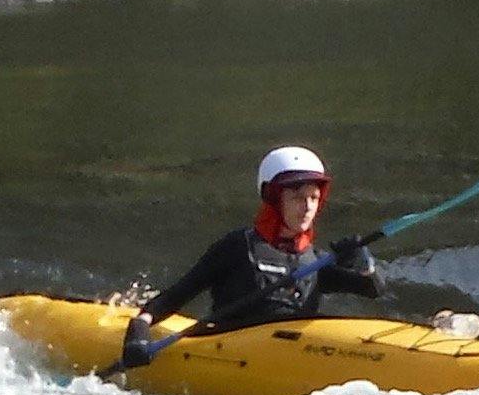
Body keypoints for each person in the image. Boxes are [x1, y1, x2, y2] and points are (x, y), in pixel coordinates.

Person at [121, 147, 382, 365]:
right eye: (297, 197)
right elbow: (174, 296)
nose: (308, 207)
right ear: (274, 198)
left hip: (293, 358)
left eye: (314, 197)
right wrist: (138, 334)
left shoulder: (316, 260)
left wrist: (361, 259)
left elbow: (373, 289)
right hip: (227, 357)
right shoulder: (238, 247)